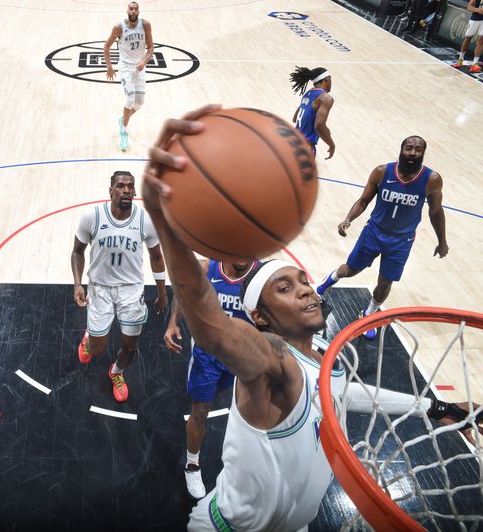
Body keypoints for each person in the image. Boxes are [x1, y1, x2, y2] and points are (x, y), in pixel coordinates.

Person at [140, 105, 480, 532]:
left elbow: (350, 394)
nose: (304, 288)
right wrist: (162, 218)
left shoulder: (319, 360)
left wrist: (435, 407)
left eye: (302, 280)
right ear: (260, 318)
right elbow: (213, 328)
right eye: (284, 288)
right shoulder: (272, 358)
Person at [316, 135, 448, 339]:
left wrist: (442, 241)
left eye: (418, 149)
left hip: (401, 241)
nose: (412, 153)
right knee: (350, 270)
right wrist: (348, 219)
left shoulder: (432, 180)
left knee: (385, 282)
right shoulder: (382, 172)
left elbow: (436, 212)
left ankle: (368, 314)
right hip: (374, 233)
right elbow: (363, 201)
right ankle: (330, 280)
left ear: (423, 153)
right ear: (401, 149)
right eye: (409, 148)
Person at [71, 170, 167, 403]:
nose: (126, 190)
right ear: (111, 190)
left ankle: (116, 372)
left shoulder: (145, 220)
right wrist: (77, 284)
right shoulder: (91, 217)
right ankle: (89, 338)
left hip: (131, 290)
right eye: (121, 186)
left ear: (135, 192)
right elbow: (77, 252)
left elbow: (156, 256)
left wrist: (162, 292)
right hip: (100, 289)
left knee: (130, 348)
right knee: (96, 350)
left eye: (130, 186)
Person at [164, 259, 256, 499]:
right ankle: (192, 464)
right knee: (201, 409)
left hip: (242, 356)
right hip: (208, 355)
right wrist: (173, 322)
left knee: (247, 412)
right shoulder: (206, 269)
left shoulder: (262, 275)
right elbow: (184, 290)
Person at [104, 1, 153, 152]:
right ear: (127, 11)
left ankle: (123, 119)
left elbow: (151, 47)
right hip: (125, 68)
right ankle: (124, 131)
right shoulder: (119, 27)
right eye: (131, 9)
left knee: (139, 104)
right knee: (130, 99)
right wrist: (109, 67)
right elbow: (106, 46)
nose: (133, 11)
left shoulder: (145, 25)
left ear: (138, 11)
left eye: (135, 9)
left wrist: (144, 62)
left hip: (139, 68)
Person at [290, 66, 336, 159]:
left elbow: (295, 119)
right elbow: (319, 125)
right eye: (330, 79)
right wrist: (331, 144)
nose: (331, 83)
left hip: (292, 143)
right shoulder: (325, 98)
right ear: (326, 80)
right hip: (305, 148)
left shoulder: (307, 94)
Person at [453, 0, 483, 72]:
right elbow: (469, 7)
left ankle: (475, 64)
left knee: (481, 40)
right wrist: (477, 10)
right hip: (475, 19)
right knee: (467, 38)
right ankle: (460, 59)